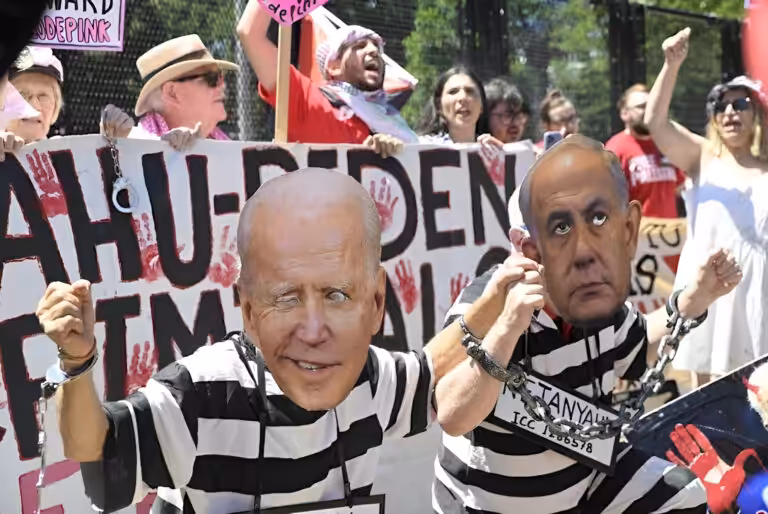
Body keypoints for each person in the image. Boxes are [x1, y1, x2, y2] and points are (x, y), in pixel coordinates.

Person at [35, 168, 523, 513]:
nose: (312, 330)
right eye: (286, 298)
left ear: (377, 303)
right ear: (248, 310)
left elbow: (431, 369)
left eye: (336, 295)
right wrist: (76, 361)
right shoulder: (200, 395)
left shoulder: (368, 377)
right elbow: (99, 455)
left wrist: (495, 299)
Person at [431, 135, 742, 514]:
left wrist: (696, 297)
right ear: (526, 247)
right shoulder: (484, 303)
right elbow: (451, 414)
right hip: (486, 504)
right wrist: (507, 327)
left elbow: (637, 345)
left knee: (683, 495)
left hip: (584, 485)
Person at [644, 27, 768, 386]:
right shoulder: (702, 156)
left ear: (758, 113)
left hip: (760, 293)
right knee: (709, 395)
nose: (730, 112)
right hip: (711, 291)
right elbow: (655, 123)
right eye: (721, 106)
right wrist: (671, 65)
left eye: (740, 104)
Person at [236, 2, 411, 157]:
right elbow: (250, 33)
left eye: (377, 49)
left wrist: (395, 154)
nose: (373, 51)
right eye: (359, 46)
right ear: (334, 66)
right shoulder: (308, 101)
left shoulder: (392, 120)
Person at [100, 34, 239, 150]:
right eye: (212, 78)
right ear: (172, 92)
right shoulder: (130, 149)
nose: (222, 85)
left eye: (220, 76)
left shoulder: (227, 149)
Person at [606, 83, 686, 219]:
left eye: (651, 106)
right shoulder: (615, 150)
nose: (648, 111)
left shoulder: (665, 144)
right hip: (637, 231)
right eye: (642, 107)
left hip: (670, 230)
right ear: (624, 114)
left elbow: (680, 188)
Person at [417, 65, 501, 147]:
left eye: (470, 91)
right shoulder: (422, 147)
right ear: (439, 106)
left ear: (482, 105)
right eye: (453, 92)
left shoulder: (495, 150)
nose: (462, 98)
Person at [5, 46, 63, 144]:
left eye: (43, 97)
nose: (34, 106)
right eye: (22, 95)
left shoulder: (71, 151)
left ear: (55, 107)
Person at [485, 77, 531, 144]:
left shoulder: (532, 149)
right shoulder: (473, 149)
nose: (515, 123)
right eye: (507, 115)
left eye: (519, 116)